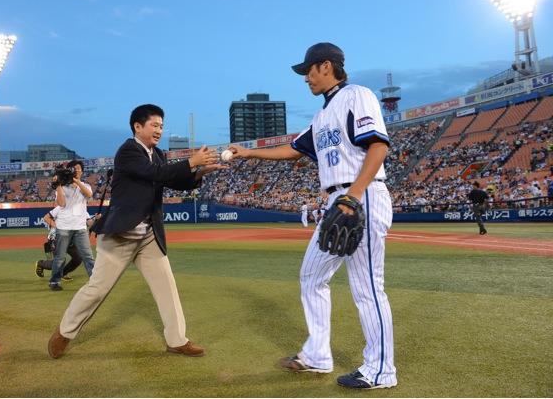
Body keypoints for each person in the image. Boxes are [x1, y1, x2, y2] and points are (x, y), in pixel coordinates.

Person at [227, 43, 396, 389]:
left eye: (308, 71)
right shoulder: (321, 116)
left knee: (367, 287)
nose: (306, 78)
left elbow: (378, 145)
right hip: (339, 200)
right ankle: (318, 354)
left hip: (361, 195)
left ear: (326, 66)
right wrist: (249, 152)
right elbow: (293, 148)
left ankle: (381, 370)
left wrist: (354, 196)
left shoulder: (356, 95)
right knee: (311, 275)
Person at [47, 104, 227, 359]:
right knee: (97, 289)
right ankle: (64, 333)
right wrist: (190, 162)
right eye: (154, 125)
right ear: (138, 127)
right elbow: (154, 174)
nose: (159, 130)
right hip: (120, 235)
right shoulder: (128, 151)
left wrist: (199, 173)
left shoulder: (159, 154)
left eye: (162, 126)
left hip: (148, 236)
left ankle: (176, 340)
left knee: (167, 286)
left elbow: (171, 179)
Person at [48, 160, 96, 291]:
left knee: (88, 256)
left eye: (79, 169)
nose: (77, 171)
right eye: (74, 169)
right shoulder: (62, 187)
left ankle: (96, 281)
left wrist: (77, 182)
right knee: (60, 257)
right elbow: (62, 204)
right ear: (69, 171)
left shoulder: (85, 185)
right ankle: (54, 282)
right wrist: (58, 185)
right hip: (64, 226)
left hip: (80, 227)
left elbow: (89, 195)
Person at [34, 206, 97, 281]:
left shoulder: (82, 210)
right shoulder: (61, 207)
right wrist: (58, 228)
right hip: (57, 238)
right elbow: (46, 218)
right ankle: (41, 264)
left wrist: (96, 219)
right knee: (60, 261)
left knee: (78, 258)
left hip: (72, 240)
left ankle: (63, 273)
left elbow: (90, 223)